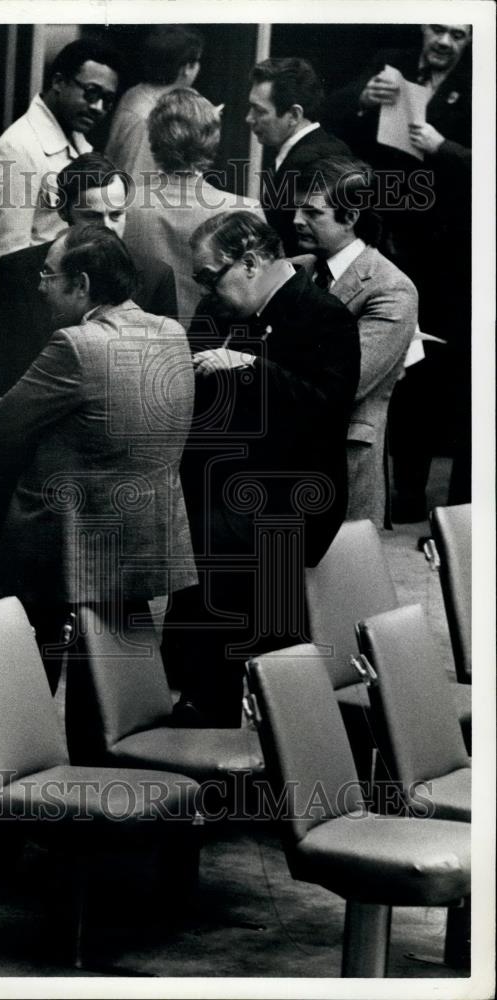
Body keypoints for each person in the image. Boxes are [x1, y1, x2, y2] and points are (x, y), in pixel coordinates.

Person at [162, 211, 360, 727]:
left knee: (219, 556)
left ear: (249, 263)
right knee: (191, 539)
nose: (204, 287)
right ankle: (204, 698)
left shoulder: (324, 316)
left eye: (209, 275)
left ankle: (217, 703)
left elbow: (328, 409)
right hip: (226, 488)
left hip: (295, 494)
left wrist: (254, 369)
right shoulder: (218, 309)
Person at [0, 225, 197, 693]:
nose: (40, 286)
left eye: (48, 273)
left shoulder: (77, 346)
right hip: (140, 541)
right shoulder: (172, 334)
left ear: (80, 284)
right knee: (115, 706)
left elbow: (3, 423)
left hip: (65, 544)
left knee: (21, 690)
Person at [324, 24, 472, 517]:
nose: (445, 42)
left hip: (451, 256)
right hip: (389, 241)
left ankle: (443, 502)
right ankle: (404, 495)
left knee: (441, 373)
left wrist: (443, 147)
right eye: (437, 29)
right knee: (399, 371)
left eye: (458, 33)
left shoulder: (478, 81)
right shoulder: (389, 62)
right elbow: (330, 117)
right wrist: (364, 97)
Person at [0, 151, 178, 443]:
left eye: (117, 215)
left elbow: (163, 382)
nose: (107, 227)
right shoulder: (18, 270)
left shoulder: (155, 276)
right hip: (33, 447)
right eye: (92, 216)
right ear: (64, 213)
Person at [292, 156, 417, 527]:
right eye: (297, 208)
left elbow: (346, 383)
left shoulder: (391, 289)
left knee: (337, 580)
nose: (297, 219)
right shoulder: (298, 269)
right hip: (285, 461)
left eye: (313, 212)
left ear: (351, 217)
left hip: (343, 467)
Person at [0, 38, 121, 291]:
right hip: (31, 306)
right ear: (58, 82)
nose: (98, 107)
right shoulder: (18, 149)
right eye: (91, 92)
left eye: (107, 100)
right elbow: (6, 261)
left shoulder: (80, 144)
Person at [123, 87, 263, 320]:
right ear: (212, 139)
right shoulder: (245, 211)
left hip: (136, 343)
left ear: (154, 139)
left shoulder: (121, 206)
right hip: (214, 350)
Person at [247, 58, 349, 255]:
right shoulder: (295, 152)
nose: (249, 118)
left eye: (259, 110)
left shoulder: (319, 159)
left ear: (294, 114)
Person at [105, 26, 204, 179]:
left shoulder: (138, 93)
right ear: (187, 68)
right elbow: (135, 187)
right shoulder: (146, 119)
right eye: (197, 61)